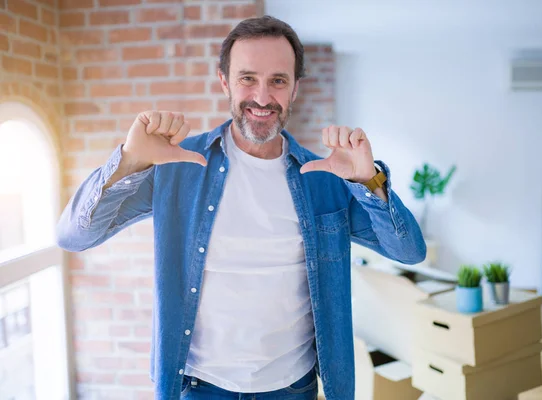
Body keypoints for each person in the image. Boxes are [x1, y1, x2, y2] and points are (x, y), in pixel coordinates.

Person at [56, 15, 426, 400]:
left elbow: (409, 250)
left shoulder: (325, 177)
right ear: (225, 82)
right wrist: (129, 161)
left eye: (278, 81)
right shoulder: (178, 165)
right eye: (248, 78)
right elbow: (73, 236)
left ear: (295, 88)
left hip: (292, 388)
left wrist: (368, 181)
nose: (263, 98)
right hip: (200, 387)